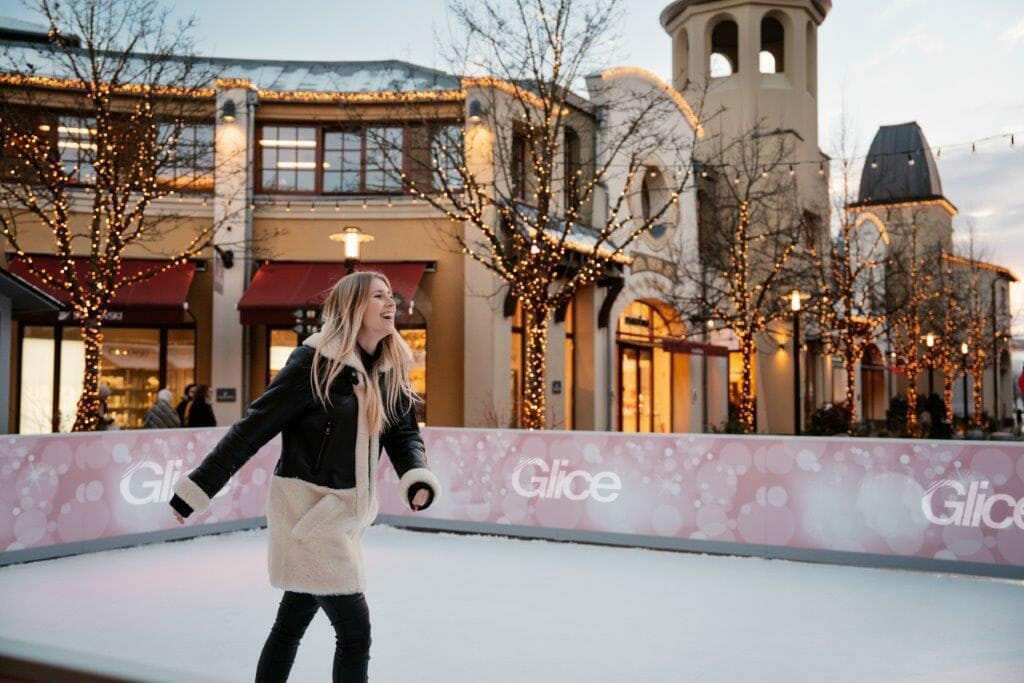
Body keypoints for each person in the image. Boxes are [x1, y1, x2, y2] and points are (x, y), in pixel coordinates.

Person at [168, 271, 440, 682]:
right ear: (352, 307)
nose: (391, 304)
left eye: (392, 296)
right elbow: (252, 429)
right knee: (354, 633)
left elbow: (402, 432)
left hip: (345, 517)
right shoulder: (313, 363)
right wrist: (197, 488)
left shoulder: (388, 367)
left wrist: (416, 476)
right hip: (308, 514)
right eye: (379, 296)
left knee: (290, 624)